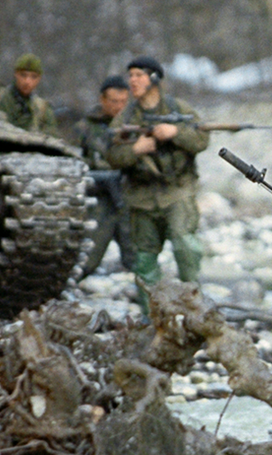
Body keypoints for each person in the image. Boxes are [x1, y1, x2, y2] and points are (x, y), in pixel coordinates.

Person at [105, 55, 208, 309]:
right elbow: (112, 155)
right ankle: (150, 319)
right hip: (141, 198)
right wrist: (136, 149)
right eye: (130, 76)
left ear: (154, 78)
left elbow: (202, 139)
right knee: (144, 261)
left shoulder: (178, 109)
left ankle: (196, 311)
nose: (132, 81)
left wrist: (175, 133)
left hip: (177, 192)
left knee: (186, 248)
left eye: (138, 75)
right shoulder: (126, 117)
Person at [76, 75, 135, 275]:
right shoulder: (85, 128)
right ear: (102, 100)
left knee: (137, 258)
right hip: (99, 199)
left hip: (128, 197)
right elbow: (71, 164)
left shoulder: (134, 125)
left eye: (123, 102)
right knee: (87, 259)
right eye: (113, 101)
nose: (119, 107)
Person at [0, 54, 60, 136]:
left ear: (39, 79)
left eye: (33, 77)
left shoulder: (42, 110)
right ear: (16, 74)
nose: (27, 81)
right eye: (23, 75)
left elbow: (52, 139)